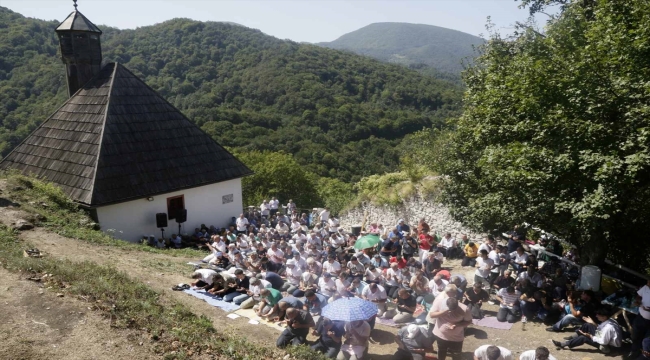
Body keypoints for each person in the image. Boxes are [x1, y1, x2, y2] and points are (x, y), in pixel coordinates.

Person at [552, 307, 622, 354]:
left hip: (609, 347)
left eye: (598, 315)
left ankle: (564, 344)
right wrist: (593, 323)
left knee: (584, 338)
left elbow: (603, 341)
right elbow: (601, 329)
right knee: (588, 325)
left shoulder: (608, 327)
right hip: (605, 339)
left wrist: (590, 336)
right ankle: (573, 337)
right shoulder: (610, 320)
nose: (596, 316)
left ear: (604, 316)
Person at [629, 279, 650, 359]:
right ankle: (634, 352)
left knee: (646, 340)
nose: (648, 284)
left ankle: (644, 356)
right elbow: (638, 295)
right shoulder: (645, 288)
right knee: (636, 335)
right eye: (648, 282)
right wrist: (638, 301)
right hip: (641, 317)